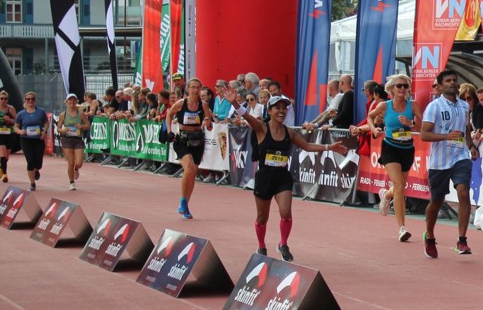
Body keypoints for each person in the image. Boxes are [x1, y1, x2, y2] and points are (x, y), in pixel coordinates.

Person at [224, 87, 347, 260]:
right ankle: (261, 246)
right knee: (262, 217)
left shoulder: (289, 132)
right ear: (270, 110)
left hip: (282, 177)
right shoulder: (261, 128)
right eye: (278, 108)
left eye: (284, 108)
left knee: (286, 212)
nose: (281, 111)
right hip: (264, 177)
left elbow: (307, 146)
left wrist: (329, 147)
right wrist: (234, 102)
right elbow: (246, 115)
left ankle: (283, 244)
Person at [420, 70, 480, 259]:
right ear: (440, 85)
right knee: (436, 202)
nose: (452, 83)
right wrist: (446, 136)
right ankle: (429, 235)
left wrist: (471, 146)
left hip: (460, 156)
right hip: (439, 162)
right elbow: (424, 134)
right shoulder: (434, 107)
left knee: (463, 192)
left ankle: (462, 239)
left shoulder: (464, 106)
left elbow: (466, 131)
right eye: (448, 80)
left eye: (455, 80)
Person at [370, 74, 423, 242]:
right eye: (399, 86)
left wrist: (411, 123)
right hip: (390, 147)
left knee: (400, 186)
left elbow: (424, 126)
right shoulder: (384, 106)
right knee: (400, 185)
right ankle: (402, 228)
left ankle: (386, 195)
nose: (402, 89)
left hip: (407, 148)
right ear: (392, 89)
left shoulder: (412, 105)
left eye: (405, 86)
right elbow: (370, 117)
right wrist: (374, 129)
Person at [165, 78, 214, 219]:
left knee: (192, 173)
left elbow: (209, 121)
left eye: (198, 87)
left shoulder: (203, 105)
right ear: (188, 89)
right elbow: (169, 115)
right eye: (193, 87)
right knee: (190, 168)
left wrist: (208, 123)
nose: (195, 90)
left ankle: (185, 205)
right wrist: (169, 131)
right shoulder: (181, 104)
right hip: (182, 141)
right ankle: (182, 201)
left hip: (198, 140)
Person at [14, 92, 50, 192]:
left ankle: (36, 169)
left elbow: (46, 123)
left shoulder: (41, 112)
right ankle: (32, 183)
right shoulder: (21, 114)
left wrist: (44, 131)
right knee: (30, 162)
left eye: (32, 99)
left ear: (35, 100)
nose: (30, 101)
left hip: (38, 139)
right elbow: (16, 127)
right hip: (26, 140)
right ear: (25, 100)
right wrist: (20, 131)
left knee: (38, 163)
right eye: (28, 99)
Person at [56, 93, 90, 190]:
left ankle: (76, 169)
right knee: (71, 161)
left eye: (74, 100)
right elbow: (58, 128)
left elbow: (88, 125)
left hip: (78, 140)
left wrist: (81, 126)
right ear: (66, 102)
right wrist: (63, 130)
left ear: (76, 101)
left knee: (79, 162)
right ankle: (71, 183)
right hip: (67, 140)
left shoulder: (81, 113)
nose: (72, 102)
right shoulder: (63, 114)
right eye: (70, 100)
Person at [0, 91, 17, 183]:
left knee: (7, 157)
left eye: (5, 99)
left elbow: (16, 121)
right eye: (1, 98)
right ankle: (5, 174)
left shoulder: (10, 109)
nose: (3, 100)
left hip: (9, 133)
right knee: (3, 154)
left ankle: (1, 167)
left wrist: (10, 120)